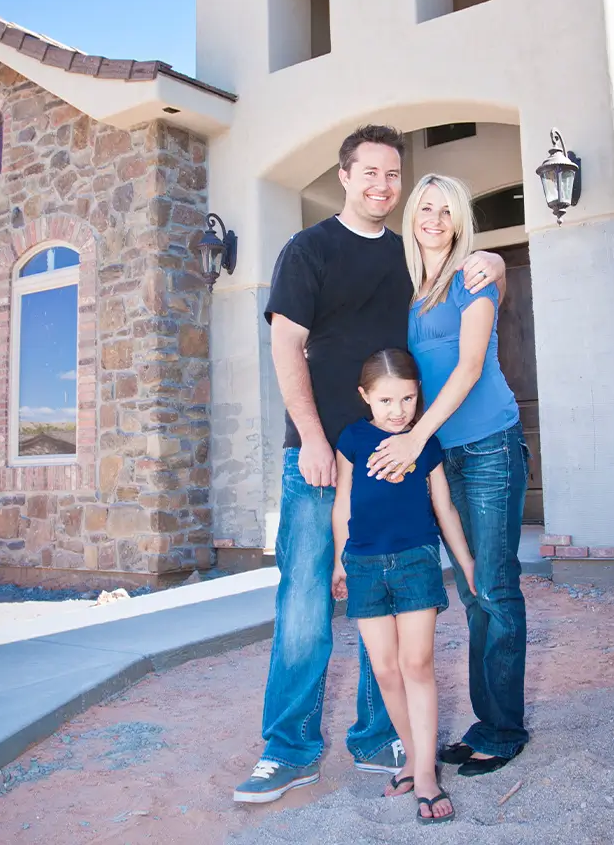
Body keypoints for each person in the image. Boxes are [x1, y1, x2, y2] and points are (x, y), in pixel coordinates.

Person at [234, 127, 506, 804]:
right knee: (304, 603)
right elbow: (286, 346)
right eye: (370, 173)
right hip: (317, 456)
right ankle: (288, 747)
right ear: (345, 176)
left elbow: (463, 267)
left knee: (379, 596)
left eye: (393, 175)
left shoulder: (406, 254)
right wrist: (312, 438)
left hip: (391, 458)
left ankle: (378, 736)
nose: (383, 186)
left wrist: (494, 261)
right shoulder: (309, 249)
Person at [366, 173, 530, 777]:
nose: (433, 219)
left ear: (460, 220)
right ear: (412, 217)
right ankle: (488, 720)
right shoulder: (409, 290)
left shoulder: (472, 277)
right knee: (471, 587)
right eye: (425, 209)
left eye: (446, 210)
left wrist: (414, 438)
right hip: (442, 454)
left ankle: (504, 730)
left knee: (495, 586)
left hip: (487, 446)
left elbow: (468, 368)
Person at [332, 348, 476, 824]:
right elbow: (343, 504)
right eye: (386, 400)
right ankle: (415, 760)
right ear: (365, 396)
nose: (398, 411)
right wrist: (338, 563)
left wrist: (466, 562)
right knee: (386, 670)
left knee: (416, 664)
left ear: (419, 395)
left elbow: (444, 507)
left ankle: (427, 777)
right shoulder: (352, 439)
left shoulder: (424, 443)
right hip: (364, 566)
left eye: (408, 399)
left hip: (416, 561)